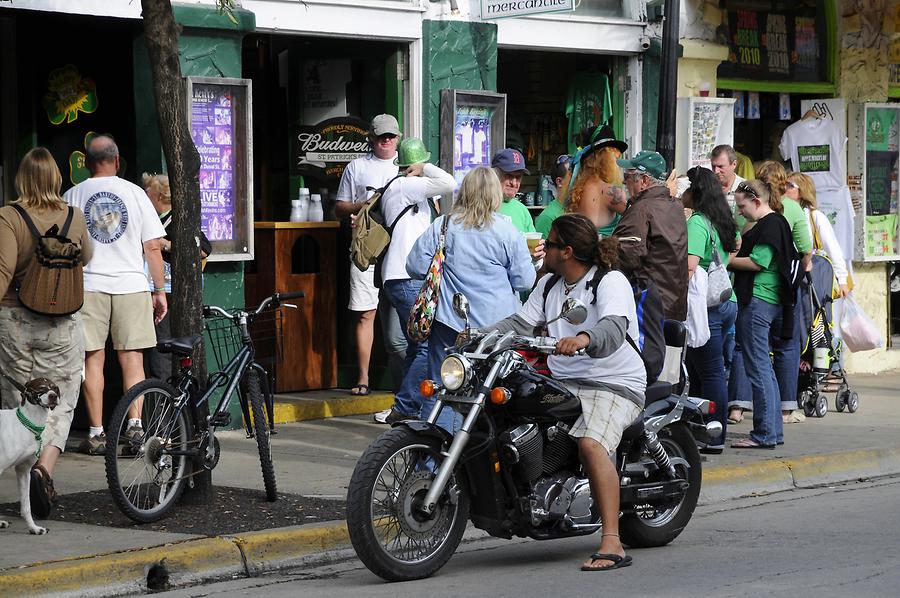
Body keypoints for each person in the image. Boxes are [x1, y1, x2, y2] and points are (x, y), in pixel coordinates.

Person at [480, 214, 645, 571]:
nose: (544, 246)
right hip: (565, 381)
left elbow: (613, 328)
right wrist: (479, 337)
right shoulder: (550, 284)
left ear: (566, 251)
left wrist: (584, 339)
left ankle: (612, 542)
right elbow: (521, 323)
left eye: (550, 243)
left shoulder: (608, 280)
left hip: (613, 380)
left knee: (590, 443)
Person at [406, 167, 536, 430]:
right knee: (493, 390)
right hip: (496, 329)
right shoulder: (507, 231)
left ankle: (434, 458)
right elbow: (524, 281)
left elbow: (415, 266)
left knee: (442, 389)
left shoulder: (443, 224)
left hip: (449, 323)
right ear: (495, 195)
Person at [0, 147, 93, 515]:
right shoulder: (74, 215)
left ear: (22, 179)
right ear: (57, 178)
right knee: (63, 399)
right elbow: (86, 258)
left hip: (15, 323)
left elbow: (3, 270)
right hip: (63, 323)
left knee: (19, 403)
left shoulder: (10, 216)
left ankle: (23, 466)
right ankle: (44, 468)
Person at [64, 135, 167, 456]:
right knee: (132, 358)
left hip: (88, 286)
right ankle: (135, 428)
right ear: (118, 161)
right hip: (132, 285)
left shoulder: (72, 195)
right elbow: (152, 246)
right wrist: (160, 290)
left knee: (91, 359)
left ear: (86, 162)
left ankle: (96, 433)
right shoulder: (135, 193)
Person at [374, 138, 456, 424]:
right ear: (415, 165)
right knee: (426, 344)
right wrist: (427, 167)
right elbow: (449, 183)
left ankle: (408, 404)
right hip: (407, 278)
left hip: (406, 278)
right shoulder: (403, 186)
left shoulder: (410, 192)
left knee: (414, 346)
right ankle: (407, 405)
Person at [335, 114, 406, 398]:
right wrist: (360, 206)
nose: (386, 141)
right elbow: (339, 207)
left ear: (398, 138)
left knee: (401, 317)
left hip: (401, 250)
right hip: (367, 247)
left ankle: (403, 385)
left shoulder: (409, 166)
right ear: (371, 138)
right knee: (366, 313)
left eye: (391, 136)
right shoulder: (357, 166)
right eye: (381, 136)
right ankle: (364, 377)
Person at [728, 180, 799, 449]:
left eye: (742, 206)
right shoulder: (775, 223)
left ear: (757, 201)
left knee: (758, 368)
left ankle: (765, 433)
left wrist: (726, 261)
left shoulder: (770, 225)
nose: (741, 211)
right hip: (765, 301)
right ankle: (772, 431)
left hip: (759, 301)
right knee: (763, 369)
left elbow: (758, 263)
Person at [684, 167, 738, 454]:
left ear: (696, 192)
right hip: (725, 303)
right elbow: (735, 248)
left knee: (711, 372)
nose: (681, 193)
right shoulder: (721, 221)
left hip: (706, 308)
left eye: (685, 187)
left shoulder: (697, 223)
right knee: (702, 370)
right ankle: (701, 432)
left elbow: (690, 266)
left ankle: (714, 436)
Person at [142, 173, 212, 382]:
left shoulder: (178, 219)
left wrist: (165, 245)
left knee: (165, 347)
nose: (145, 195)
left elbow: (204, 249)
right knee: (159, 347)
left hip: (173, 293)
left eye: (148, 192)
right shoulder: (150, 218)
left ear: (161, 196)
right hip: (154, 289)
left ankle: (166, 397)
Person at [614, 150, 688, 321]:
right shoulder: (675, 205)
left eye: (628, 176)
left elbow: (626, 257)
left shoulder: (642, 209)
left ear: (645, 180)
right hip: (672, 303)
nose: (624, 181)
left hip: (647, 304)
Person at [786, 172, 850, 297]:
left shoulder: (815, 216)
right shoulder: (782, 213)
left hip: (812, 275)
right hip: (790, 275)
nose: (784, 188)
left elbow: (833, 248)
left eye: (790, 185)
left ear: (802, 192)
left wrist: (842, 279)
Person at [566, 125, 629, 237]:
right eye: (611, 155)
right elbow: (640, 215)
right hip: (603, 252)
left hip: (581, 251)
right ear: (592, 160)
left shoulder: (577, 190)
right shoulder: (612, 192)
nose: (616, 161)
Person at [492, 148, 537, 234]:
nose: (514, 183)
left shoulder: (522, 209)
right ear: (494, 175)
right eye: (508, 175)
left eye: (518, 177)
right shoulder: (482, 205)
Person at [534, 154, 571, 238]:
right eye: (573, 176)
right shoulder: (548, 217)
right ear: (559, 182)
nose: (578, 180)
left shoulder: (581, 209)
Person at [710, 144, 744, 213]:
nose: (716, 171)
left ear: (734, 164)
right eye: (713, 166)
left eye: (720, 166)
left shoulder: (745, 189)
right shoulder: (707, 188)